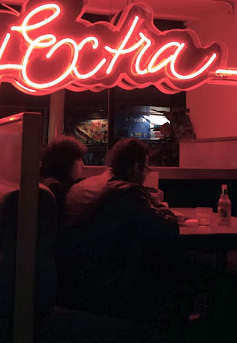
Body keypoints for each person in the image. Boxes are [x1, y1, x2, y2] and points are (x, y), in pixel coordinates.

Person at [58, 138, 187, 340]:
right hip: (109, 290)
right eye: (145, 169)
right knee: (178, 269)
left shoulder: (81, 185)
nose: (145, 175)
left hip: (70, 285)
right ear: (135, 167)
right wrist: (157, 203)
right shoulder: (127, 191)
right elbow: (168, 228)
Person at [39, 136, 87, 216]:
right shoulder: (55, 188)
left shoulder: (50, 181)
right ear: (67, 161)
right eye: (79, 159)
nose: (82, 164)